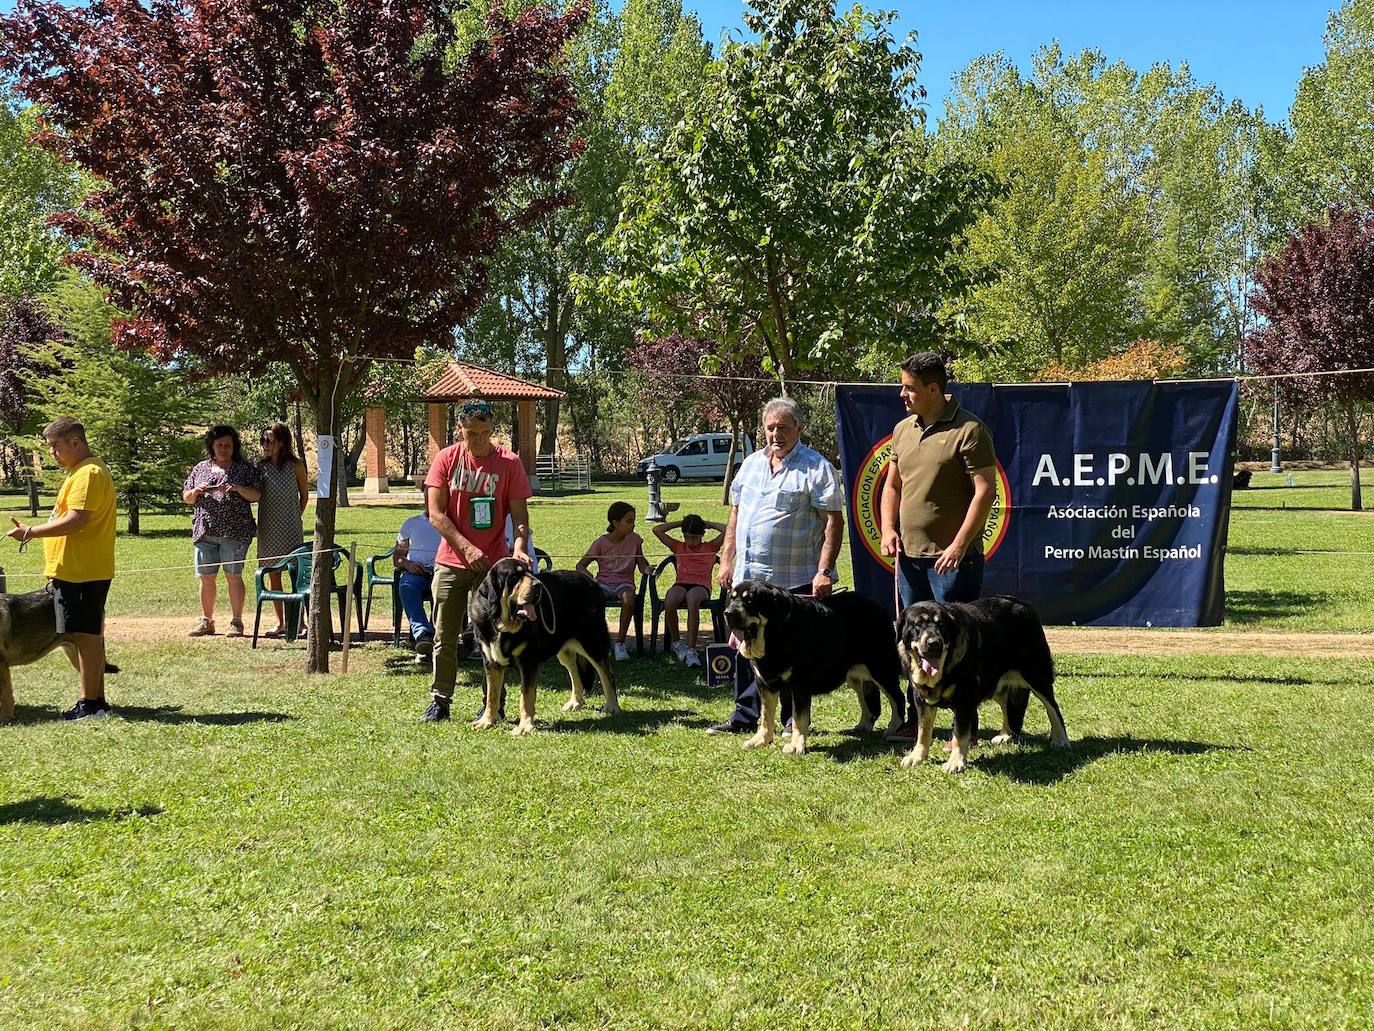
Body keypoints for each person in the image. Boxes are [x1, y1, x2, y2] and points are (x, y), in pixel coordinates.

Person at [707, 397, 844, 736]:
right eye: (770, 427)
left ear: (799, 428)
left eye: (783, 427)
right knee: (743, 643)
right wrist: (727, 559)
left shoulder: (816, 467)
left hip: (792, 581)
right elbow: (736, 515)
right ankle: (743, 716)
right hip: (747, 579)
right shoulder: (751, 464)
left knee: (789, 652)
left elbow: (833, 522)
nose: (775, 434)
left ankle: (790, 722)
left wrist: (824, 570)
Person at [879, 351, 997, 743]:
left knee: (956, 649)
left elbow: (985, 491)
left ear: (933, 389)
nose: (902, 394)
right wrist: (887, 528)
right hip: (909, 560)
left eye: (909, 388)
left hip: (953, 563)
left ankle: (965, 729)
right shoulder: (902, 430)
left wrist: (959, 545)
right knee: (915, 646)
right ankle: (919, 722)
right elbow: (892, 486)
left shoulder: (970, 430)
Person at [421, 399, 532, 723]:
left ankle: (492, 703)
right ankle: (440, 701)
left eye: (485, 432)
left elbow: (520, 517)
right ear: (460, 430)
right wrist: (467, 549)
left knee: (495, 635)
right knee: (445, 636)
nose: (479, 439)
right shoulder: (446, 459)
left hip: (495, 569)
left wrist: (520, 545)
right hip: (452, 562)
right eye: (472, 433)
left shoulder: (509, 463)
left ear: (492, 429)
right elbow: (436, 514)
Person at [5, 417, 117, 720]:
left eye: (55, 446)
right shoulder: (80, 472)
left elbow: (77, 520)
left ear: (75, 442)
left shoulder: (89, 473)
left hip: (82, 572)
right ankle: (97, 701)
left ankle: (89, 705)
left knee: (85, 636)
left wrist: (32, 532)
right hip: (76, 571)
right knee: (85, 634)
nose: (53, 453)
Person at [183, 425, 262, 637]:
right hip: (205, 531)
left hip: (235, 532)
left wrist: (236, 488)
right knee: (206, 578)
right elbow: (186, 498)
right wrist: (195, 491)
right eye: (219, 445)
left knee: (233, 576)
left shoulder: (243, 468)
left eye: (228, 445)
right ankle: (206, 621)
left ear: (234, 447)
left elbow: (256, 495)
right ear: (212, 446)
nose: (223, 449)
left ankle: (236, 622)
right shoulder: (200, 468)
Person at [577, 501, 650, 661]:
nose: (633, 525)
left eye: (634, 520)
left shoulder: (635, 540)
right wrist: (591, 581)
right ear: (615, 523)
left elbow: (641, 562)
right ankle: (597, 642)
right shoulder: (601, 543)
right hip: (603, 582)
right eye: (629, 521)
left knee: (628, 598)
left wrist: (647, 570)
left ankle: (620, 643)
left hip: (625, 582)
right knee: (594, 600)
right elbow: (580, 565)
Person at [652, 513, 725, 667]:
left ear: (702, 534)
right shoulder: (678, 546)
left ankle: (692, 649)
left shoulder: (711, 546)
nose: (690, 541)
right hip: (681, 583)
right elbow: (657, 529)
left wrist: (708, 523)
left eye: (694, 537)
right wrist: (682, 523)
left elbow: (729, 530)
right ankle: (677, 643)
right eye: (687, 537)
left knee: (692, 599)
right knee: (670, 599)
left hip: (701, 586)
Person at [255, 422, 308, 637]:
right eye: (263, 440)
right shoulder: (261, 466)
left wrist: (294, 517)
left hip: (291, 528)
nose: (266, 445)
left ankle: (301, 623)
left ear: (282, 442)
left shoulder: (296, 465)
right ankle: (281, 623)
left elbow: (304, 495)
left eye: (270, 441)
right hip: (267, 529)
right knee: (273, 574)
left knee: (297, 574)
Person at [393, 505, 442, 663]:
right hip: (417, 573)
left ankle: (438, 637)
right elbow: (398, 558)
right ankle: (423, 635)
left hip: (443, 572)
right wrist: (408, 565)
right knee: (407, 586)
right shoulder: (411, 523)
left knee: (447, 589)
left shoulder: (451, 522)